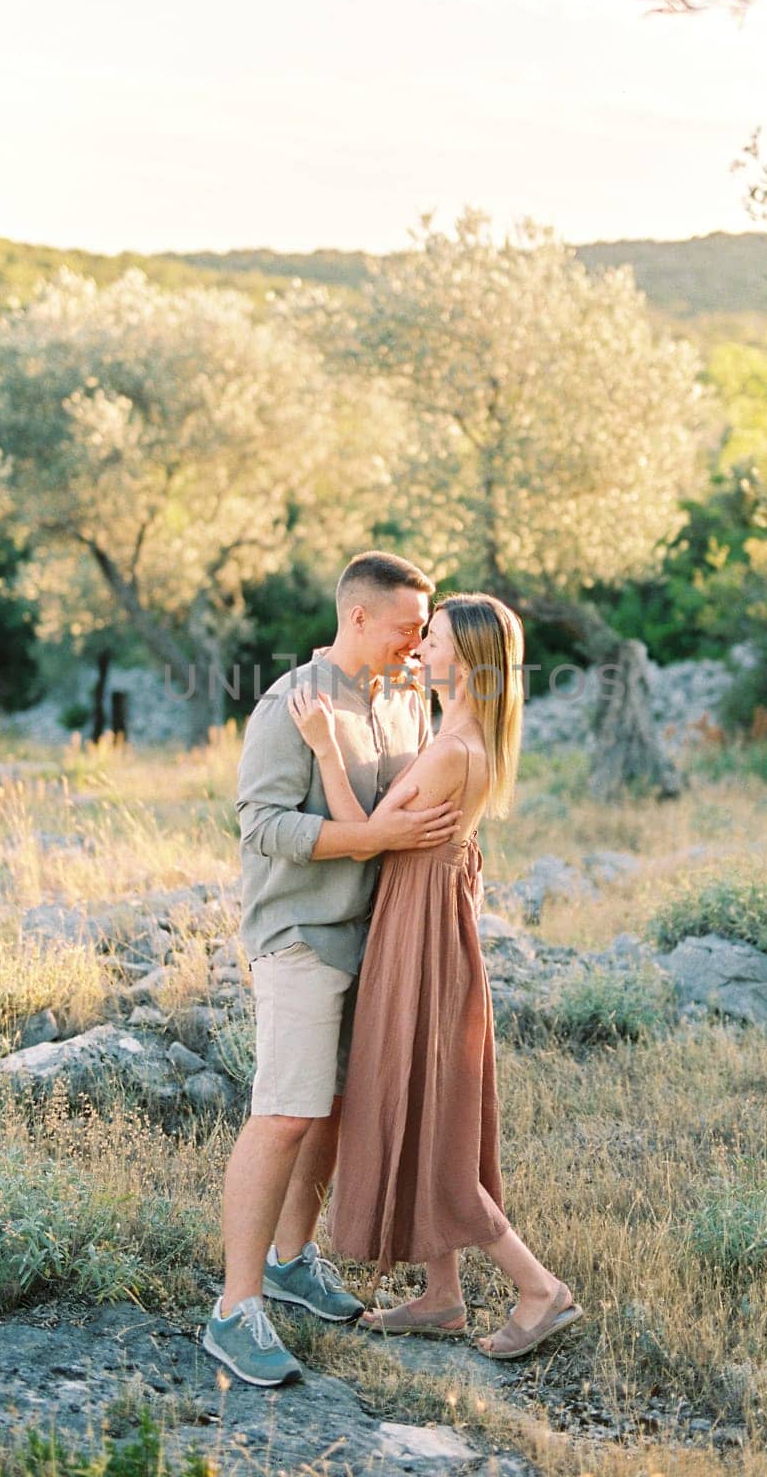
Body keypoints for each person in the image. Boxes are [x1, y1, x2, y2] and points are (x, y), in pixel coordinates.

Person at [286, 592, 583, 1360]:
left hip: (418, 932)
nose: (419, 646)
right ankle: (442, 1295)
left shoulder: (452, 748)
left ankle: (538, 1288)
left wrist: (324, 748)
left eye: (435, 639)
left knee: (435, 1125)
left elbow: (366, 836)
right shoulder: (455, 733)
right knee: (423, 1104)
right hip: (424, 925)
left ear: (468, 659)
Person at [202, 551, 465, 1387]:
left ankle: (291, 1259)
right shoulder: (292, 704)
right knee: (282, 1112)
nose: (416, 643)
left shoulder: (403, 701)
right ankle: (233, 1311)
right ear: (358, 617)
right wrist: (376, 842)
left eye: (422, 631)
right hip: (301, 938)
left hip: (374, 940)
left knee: (331, 1111)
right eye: (406, 628)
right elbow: (263, 827)